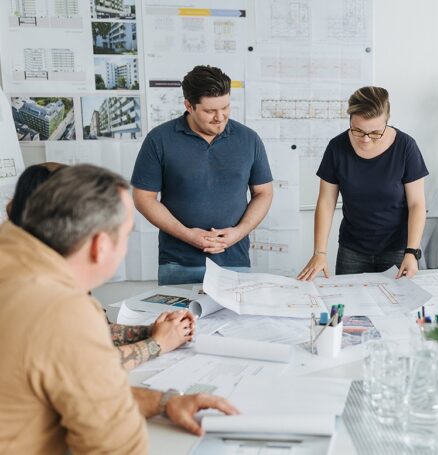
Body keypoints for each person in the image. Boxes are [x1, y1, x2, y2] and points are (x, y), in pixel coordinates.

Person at [0, 164, 236, 454]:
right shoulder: (61, 308)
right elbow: (117, 447)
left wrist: (164, 403)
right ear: (100, 245)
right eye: (126, 235)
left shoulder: (12, 254)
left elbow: (83, 387)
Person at [6, 163, 195, 371]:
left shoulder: (48, 258)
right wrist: (157, 344)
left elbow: (89, 332)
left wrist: (154, 331)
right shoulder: (37, 285)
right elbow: (86, 364)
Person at [131, 65, 273, 285]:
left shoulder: (249, 139)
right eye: (210, 111)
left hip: (235, 262)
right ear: (188, 105)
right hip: (177, 263)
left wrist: (239, 232)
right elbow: (143, 198)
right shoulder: (159, 139)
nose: (220, 117)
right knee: (179, 321)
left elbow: (263, 193)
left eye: (225, 107)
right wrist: (188, 235)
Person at [297, 86, 428, 281]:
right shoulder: (337, 148)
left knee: (397, 307)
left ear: (387, 121)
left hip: (398, 248)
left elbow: (417, 204)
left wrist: (412, 252)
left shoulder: (406, 147)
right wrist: (320, 253)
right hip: (353, 250)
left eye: (375, 132)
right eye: (358, 130)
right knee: (349, 307)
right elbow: (326, 201)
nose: (366, 140)